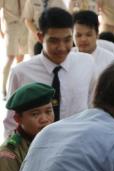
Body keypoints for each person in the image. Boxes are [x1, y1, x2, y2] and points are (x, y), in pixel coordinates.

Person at [3, 7, 96, 138]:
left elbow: (92, 106)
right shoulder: (21, 72)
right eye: (54, 41)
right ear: (40, 37)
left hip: (77, 144)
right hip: (35, 148)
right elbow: (11, 122)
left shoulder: (87, 63)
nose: (62, 47)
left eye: (67, 40)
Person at [0, 82, 54, 171]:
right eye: (35, 114)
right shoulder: (8, 153)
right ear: (18, 119)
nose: (44, 119)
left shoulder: (55, 140)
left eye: (48, 111)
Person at [72, 10, 114, 76]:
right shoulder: (66, 58)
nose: (83, 39)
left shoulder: (111, 62)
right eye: (78, 35)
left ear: (97, 34)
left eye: (88, 35)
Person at [0, 0, 29, 98]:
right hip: (11, 25)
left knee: (21, 58)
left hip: (24, 25)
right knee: (10, 57)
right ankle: (4, 89)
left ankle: (17, 88)